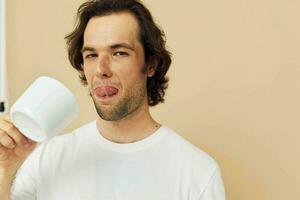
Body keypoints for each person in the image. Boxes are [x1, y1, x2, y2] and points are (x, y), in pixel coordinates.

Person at [0, 0, 226, 199]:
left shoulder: (198, 172)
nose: (101, 69)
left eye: (119, 53)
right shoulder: (46, 158)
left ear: (151, 65)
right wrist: (4, 170)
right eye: (91, 55)